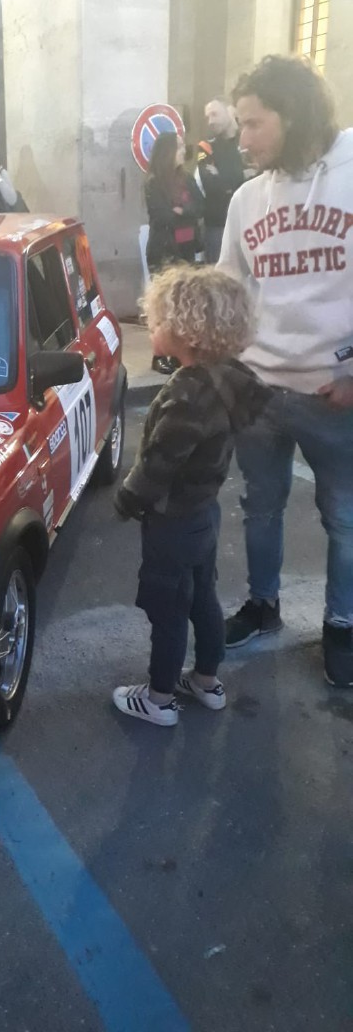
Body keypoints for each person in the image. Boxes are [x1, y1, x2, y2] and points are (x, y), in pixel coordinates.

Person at [219, 55, 353, 687]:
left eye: (253, 123)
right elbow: (229, 289)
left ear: (292, 114)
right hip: (260, 392)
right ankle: (263, 605)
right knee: (260, 506)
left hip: (337, 395)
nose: (241, 138)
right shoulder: (247, 198)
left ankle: (343, 625)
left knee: (347, 518)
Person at [112, 265, 271, 726]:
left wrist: (126, 500)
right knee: (203, 597)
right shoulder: (229, 378)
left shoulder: (187, 396)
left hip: (173, 520)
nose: (152, 328)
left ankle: (159, 699)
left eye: (158, 321)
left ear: (187, 331)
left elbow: (159, 464)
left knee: (168, 607)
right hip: (204, 511)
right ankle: (206, 681)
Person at [144, 132, 204, 375]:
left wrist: (182, 210)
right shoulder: (154, 183)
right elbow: (161, 215)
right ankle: (160, 354)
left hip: (186, 249)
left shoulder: (187, 179)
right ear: (168, 152)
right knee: (163, 306)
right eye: (178, 147)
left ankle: (179, 352)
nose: (183, 151)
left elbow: (200, 206)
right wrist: (180, 213)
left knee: (182, 304)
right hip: (164, 251)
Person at [196, 97, 248, 263]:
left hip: (248, 223)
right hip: (217, 227)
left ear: (231, 111)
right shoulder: (205, 147)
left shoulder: (248, 142)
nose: (210, 121)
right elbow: (210, 185)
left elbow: (260, 177)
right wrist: (240, 175)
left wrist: (222, 175)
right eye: (207, 117)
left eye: (215, 114)